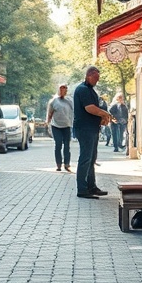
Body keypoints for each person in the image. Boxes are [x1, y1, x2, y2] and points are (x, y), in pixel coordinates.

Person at [73, 66, 112, 199]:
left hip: (92, 128)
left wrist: (101, 117)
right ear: (88, 75)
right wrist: (104, 113)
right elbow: (90, 108)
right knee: (86, 158)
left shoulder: (90, 90)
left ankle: (91, 186)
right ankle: (82, 189)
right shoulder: (82, 89)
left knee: (91, 158)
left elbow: (94, 107)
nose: (97, 80)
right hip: (85, 128)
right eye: (95, 78)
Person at [46, 84, 74, 172]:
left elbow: (73, 111)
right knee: (58, 145)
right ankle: (58, 164)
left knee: (67, 145)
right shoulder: (54, 101)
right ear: (58, 90)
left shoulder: (69, 101)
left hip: (67, 126)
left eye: (65, 89)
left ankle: (67, 164)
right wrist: (48, 123)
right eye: (61, 89)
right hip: (56, 126)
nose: (63, 91)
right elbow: (50, 113)